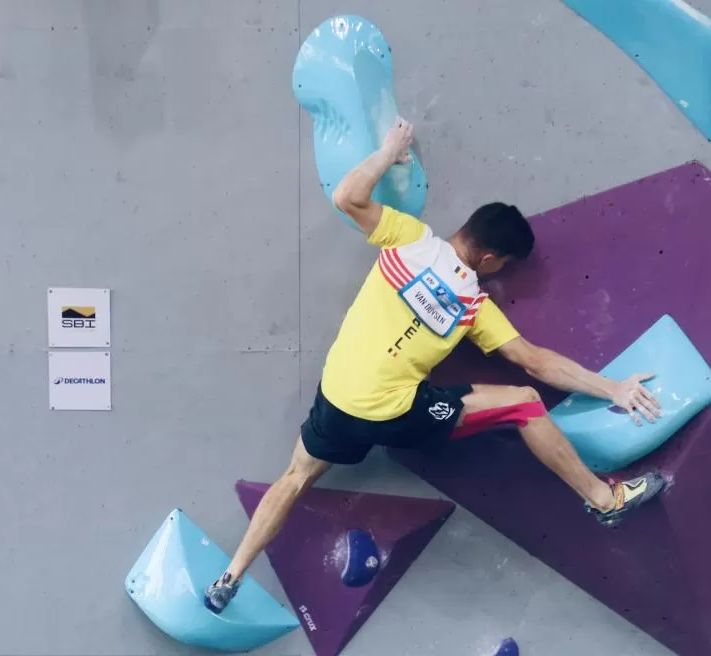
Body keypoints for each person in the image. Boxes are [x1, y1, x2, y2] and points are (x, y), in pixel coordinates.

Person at [204, 117, 666, 613]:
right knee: (524, 404)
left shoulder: (407, 238)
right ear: (489, 258)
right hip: (394, 415)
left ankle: (227, 580)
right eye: (504, 266)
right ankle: (604, 500)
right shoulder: (472, 304)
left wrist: (390, 149)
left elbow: (346, 197)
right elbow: (533, 362)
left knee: (294, 477)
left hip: (337, 399)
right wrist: (612, 388)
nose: (500, 274)